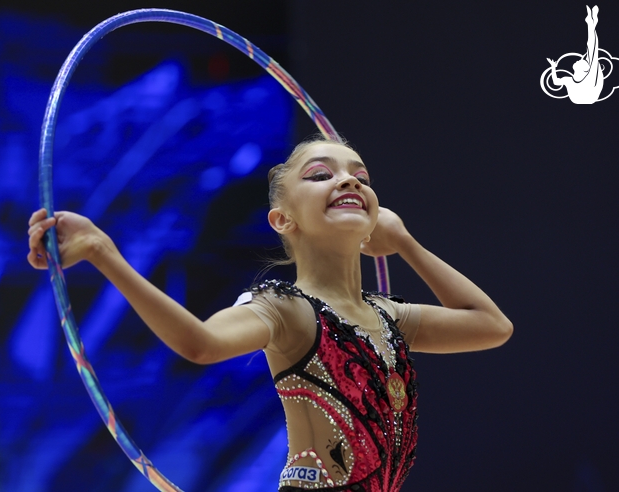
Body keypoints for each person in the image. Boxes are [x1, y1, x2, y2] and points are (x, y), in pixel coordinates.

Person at [27, 137, 512, 491]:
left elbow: (493, 326)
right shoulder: (286, 309)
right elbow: (201, 342)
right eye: (321, 174)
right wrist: (104, 252)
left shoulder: (390, 318)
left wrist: (405, 243)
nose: (347, 179)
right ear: (283, 220)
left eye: (360, 177)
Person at [547, 5, 603, 104]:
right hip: (586, 97)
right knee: (592, 52)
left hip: (587, 96)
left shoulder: (579, 79)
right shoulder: (571, 79)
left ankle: (591, 24)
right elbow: (555, 82)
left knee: (592, 51)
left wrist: (553, 68)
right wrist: (553, 67)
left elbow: (593, 50)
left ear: (584, 69)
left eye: (582, 61)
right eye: (583, 60)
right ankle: (591, 24)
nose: (579, 59)